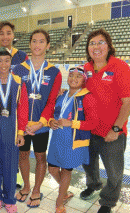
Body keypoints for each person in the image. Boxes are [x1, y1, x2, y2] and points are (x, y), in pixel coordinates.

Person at [80, 29, 130, 213]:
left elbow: (127, 102)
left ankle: (108, 201)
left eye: (101, 42)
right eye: (92, 43)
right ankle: (93, 185)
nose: (96, 46)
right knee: (88, 162)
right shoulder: (86, 68)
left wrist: (116, 129)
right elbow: (81, 93)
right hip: (89, 129)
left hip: (111, 131)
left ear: (109, 46)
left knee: (114, 171)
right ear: (88, 48)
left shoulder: (120, 67)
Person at [13, 29, 62, 208]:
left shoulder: (54, 72)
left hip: (41, 125)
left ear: (48, 45)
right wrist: (23, 123)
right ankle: (26, 186)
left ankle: (36, 189)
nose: (37, 45)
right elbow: (15, 99)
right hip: (22, 125)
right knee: (23, 155)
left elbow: (51, 102)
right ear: (30, 44)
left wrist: (40, 123)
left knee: (41, 157)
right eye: (34, 41)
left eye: (42, 41)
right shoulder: (18, 69)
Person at [47, 66, 98, 213]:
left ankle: (60, 201)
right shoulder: (62, 96)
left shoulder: (87, 97)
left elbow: (93, 123)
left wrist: (72, 123)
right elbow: (53, 113)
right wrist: (51, 121)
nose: (74, 79)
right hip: (57, 139)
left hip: (73, 141)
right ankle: (65, 191)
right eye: (71, 75)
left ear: (84, 80)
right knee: (52, 169)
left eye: (78, 77)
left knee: (66, 171)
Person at [0, 47, 28, 213]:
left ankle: (10, 198)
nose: (3, 64)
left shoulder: (18, 82)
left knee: (11, 165)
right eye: (0, 61)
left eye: (7, 60)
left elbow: (23, 109)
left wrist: (21, 133)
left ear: (11, 62)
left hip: (12, 128)